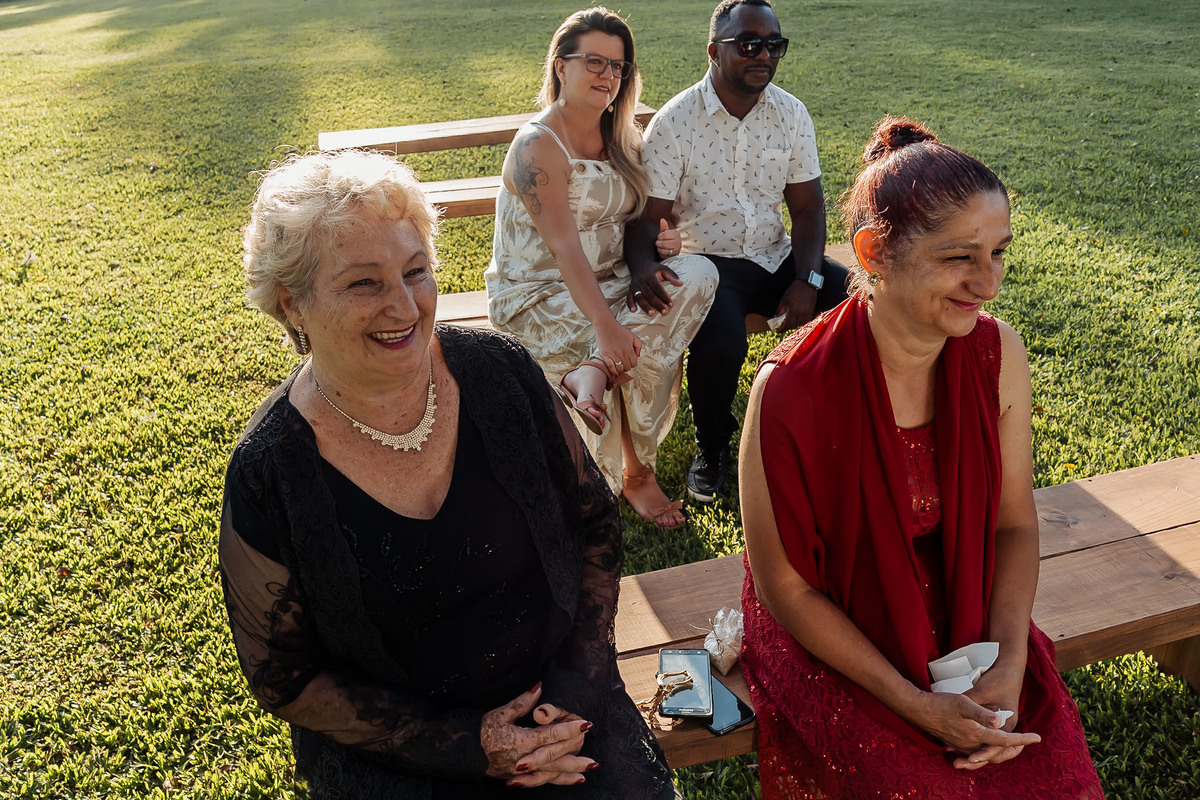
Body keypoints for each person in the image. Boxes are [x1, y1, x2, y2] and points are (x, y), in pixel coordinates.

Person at [220, 149, 674, 800]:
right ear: (293, 304)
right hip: (402, 752)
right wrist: (468, 745)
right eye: (364, 283)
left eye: (415, 271)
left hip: (564, 707)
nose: (404, 306)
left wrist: (577, 686)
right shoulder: (269, 472)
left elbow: (595, 522)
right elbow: (283, 677)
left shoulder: (502, 374)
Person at [739, 116, 1105, 799]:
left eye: (999, 253)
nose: (988, 283)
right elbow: (786, 588)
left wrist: (1009, 656)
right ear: (873, 252)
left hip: (962, 596)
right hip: (836, 622)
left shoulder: (999, 353)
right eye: (959, 257)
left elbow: (1014, 524)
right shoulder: (790, 389)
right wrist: (916, 705)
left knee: (1052, 773)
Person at [486, 7, 718, 528]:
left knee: (699, 274)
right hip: (539, 292)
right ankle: (634, 473)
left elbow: (642, 218)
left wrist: (661, 243)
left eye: (618, 67)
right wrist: (606, 326)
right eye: (593, 61)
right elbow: (565, 249)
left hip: (611, 281)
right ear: (559, 67)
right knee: (631, 337)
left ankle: (590, 371)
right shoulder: (537, 145)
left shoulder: (625, 137)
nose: (607, 76)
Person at [625, 0, 850, 505]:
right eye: (749, 43)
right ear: (714, 51)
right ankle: (713, 443)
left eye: (775, 45)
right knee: (721, 338)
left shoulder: (790, 113)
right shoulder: (677, 121)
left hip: (777, 255)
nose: (764, 55)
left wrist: (808, 279)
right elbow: (649, 215)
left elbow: (809, 210)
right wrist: (643, 263)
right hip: (711, 263)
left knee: (855, 299)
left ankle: (838, 424)